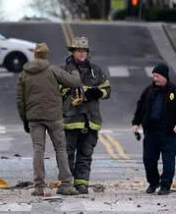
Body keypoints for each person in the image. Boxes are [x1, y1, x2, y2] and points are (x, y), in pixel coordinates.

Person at [16, 43, 83, 196]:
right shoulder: (53, 70)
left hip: (34, 117)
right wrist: (74, 70)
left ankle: (39, 186)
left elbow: (20, 99)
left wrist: (25, 119)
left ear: (35, 55)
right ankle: (66, 184)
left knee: (38, 149)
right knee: (60, 149)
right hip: (53, 116)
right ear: (47, 55)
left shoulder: (24, 74)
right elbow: (75, 83)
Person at [61, 37, 111, 194]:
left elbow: (107, 90)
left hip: (91, 120)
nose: (82, 54)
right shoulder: (64, 70)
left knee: (85, 154)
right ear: (73, 52)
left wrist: (98, 92)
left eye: (84, 51)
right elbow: (56, 91)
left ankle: (81, 183)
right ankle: (67, 184)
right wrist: (71, 94)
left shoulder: (95, 71)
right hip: (71, 119)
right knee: (68, 154)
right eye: (78, 51)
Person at [131, 63, 176, 195]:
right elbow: (140, 108)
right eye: (153, 76)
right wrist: (136, 123)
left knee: (168, 160)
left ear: (164, 77)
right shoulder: (149, 91)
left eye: (157, 76)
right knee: (149, 159)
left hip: (169, 133)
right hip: (151, 132)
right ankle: (153, 182)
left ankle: (165, 185)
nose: (155, 79)